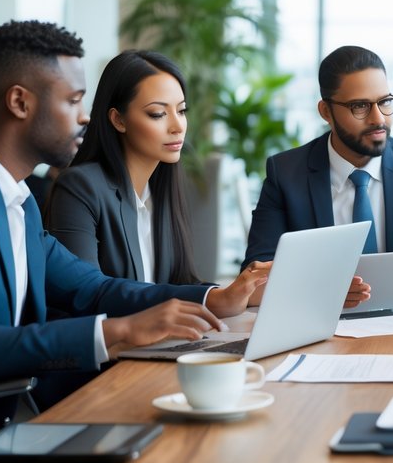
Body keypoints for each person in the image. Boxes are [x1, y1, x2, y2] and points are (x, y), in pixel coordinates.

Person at [0, 21, 269, 463]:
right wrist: (114, 332)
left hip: (16, 421)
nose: (84, 116)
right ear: (20, 102)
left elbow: (93, 289)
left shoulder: (16, 200)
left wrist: (215, 298)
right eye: (74, 100)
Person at [244, 45, 393, 305]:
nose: (378, 119)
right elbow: (253, 281)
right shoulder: (286, 174)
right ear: (326, 112)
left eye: (385, 102)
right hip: (318, 328)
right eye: (360, 106)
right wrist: (326, 290)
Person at [45, 50, 261, 289]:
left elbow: (179, 284)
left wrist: (241, 291)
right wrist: (213, 298)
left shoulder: (162, 188)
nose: (178, 126)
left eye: (181, 111)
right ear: (118, 120)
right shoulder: (80, 188)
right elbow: (86, 295)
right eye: (158, 114)